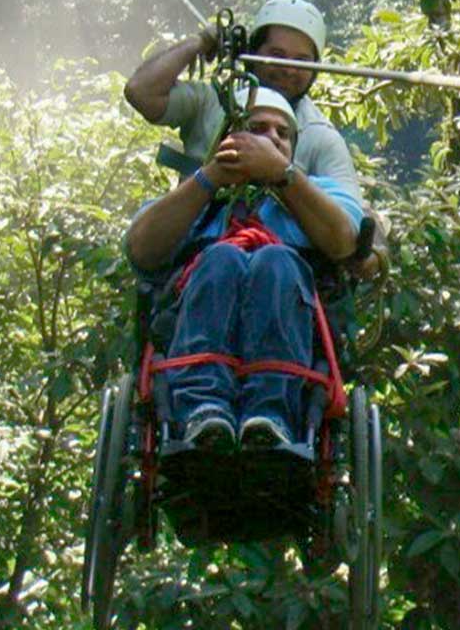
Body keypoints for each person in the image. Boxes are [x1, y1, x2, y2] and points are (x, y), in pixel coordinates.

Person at [125, 85, 362, 453]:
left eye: (283, 134)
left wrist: (282, 176)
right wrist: (211, 178)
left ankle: (272, 415)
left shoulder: (319, 192)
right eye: (258, 128)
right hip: (203, 289)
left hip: (293, 312)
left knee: (276, 261)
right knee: (222, 258)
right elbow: (141, 249)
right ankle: (203, 410)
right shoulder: (199, 198)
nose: (272, 138)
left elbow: (344, 241)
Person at [123, 0, 361, 204]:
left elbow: (351, 217)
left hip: (277, 249)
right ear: (252, 54)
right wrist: (200, 43)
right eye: (277, 55)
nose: (289, 70)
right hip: (198, 242)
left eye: (301, 61)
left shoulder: (319, 136)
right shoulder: (212, 101)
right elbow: (140, 92)